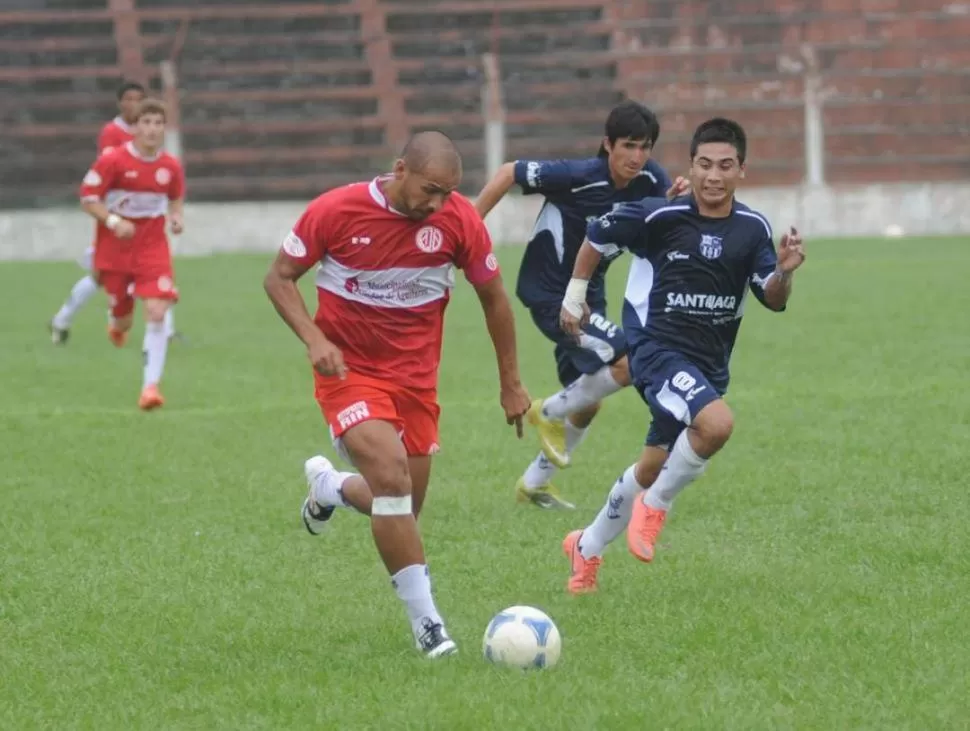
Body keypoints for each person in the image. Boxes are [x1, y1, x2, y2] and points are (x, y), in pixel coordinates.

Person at [263, 131, 532, 658]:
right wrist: (315, 339)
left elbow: (495, 300)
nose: (437, 204)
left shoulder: (458, 221)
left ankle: (332, 488)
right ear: (400, 169)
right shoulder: (336, 210)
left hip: (415, 383)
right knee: (390, 479)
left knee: (399, 504)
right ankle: (429, 624)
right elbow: (279, 278)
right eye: (430, 190)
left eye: (448, 193)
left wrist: (511, 383)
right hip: (348, 372)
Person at [558, 117, 806, 594]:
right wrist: (574, 297)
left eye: (725, 166)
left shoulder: (753, 229)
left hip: (708, 364)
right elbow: (597, 235)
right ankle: (657, 506)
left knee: (651, 467)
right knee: (715, 425)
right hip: (656, 350)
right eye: (704, 165)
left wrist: (787, 272)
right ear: (690, 167)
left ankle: (585, 549)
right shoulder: (660, 215)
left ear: (742, 170)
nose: (714, 176)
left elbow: (771, 298)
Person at [475, 100, 688, 509]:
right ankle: (548, 412)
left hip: (590, 295)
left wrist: (674, 203)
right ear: (608, 144)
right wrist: (467, 225)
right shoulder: (577, 176)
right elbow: (508, 172)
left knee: (588, 401)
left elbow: (663, 225)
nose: (637, 156)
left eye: (645, 147)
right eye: (628, 145)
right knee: (627, 362)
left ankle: (534, 483)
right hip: (550, 293)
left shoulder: (651, 180)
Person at [50, 81, 178, 345]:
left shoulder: (151, 134)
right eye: (128, 99)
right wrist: (112, 217)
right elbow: (106, 178)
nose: (133, 104)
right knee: (100, 276)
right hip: (112, 220)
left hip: (141, 225)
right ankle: (63, 319)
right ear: (121, 103)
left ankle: (162, 331)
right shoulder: (113, 133)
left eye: (138, 99)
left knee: (155, 275)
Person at [78, 99, 185, 410]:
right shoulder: (114, 161)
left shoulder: (170, 167)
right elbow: (88, 197)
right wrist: (113, 220)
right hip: (115, 249)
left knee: (156, 311)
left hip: (152, 247)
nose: (152, 129)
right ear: (135, 127)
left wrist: (177, 217)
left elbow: (175, 198)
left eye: (158, 123)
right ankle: (115, 320)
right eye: (146, 123)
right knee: (124, 322)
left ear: (164, 128)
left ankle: (150, 387)